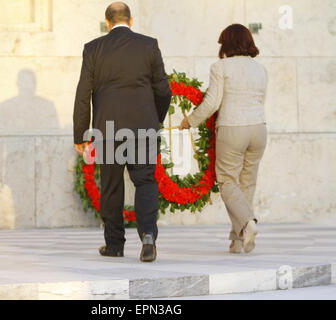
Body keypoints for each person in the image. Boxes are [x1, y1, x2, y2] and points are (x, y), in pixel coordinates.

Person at [73, 2, 171, 262]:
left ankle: (114, 245)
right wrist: (155, 119)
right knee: (145, 181)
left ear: (107, 22)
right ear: (131, 20)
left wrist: (80, 133)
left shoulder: (93, 48)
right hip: (143, 127)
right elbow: (163, 90)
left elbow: (83, 93)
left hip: (108, 128)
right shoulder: (149, 45)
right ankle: (148, 235)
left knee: (112, 186)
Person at [180, 24, 268, 254]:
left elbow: (212, 103)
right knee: (246, 183)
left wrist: (190, 121)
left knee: (227, 181)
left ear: (227, 44)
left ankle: (248, 222)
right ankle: (238, 240)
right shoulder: (260, 69)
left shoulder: (221, 67)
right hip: (259, 130)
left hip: (233, 128)